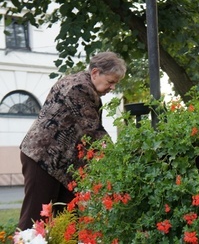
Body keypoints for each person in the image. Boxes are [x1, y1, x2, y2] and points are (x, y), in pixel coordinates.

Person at [18, 51, 126, 230]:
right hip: (42, 159)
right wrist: (120, 160)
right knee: (35, 220)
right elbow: (93, 132)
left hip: (61, 165)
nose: (112, 87)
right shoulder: (79, 89)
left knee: (67, 222)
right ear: (95, 73)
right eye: (111, 82)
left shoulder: (76, 83)